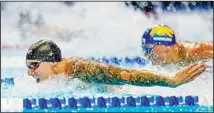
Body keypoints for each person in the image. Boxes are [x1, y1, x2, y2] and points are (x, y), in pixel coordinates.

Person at [26, 39, 207, 88]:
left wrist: (170, 81)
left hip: (135, 91)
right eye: (28, 67)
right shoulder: (57, 78)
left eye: (33, 65)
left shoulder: (77, 68)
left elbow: (125, 75)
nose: (30, 72)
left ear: (50, 62)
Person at [142, 24, 213, 66]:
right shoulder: (175, 60)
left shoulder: (196, 52)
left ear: (166, 46)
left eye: (149, 47)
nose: (146, 54)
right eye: (145, 48)